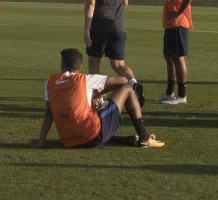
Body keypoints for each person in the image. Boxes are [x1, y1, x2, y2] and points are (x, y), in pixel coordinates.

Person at [34, 48, 164, 149]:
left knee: (95, 111)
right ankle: (144, 138)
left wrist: (40, 142)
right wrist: (100, 92)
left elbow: (48, 114)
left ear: (62, 66)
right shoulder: (85, 79)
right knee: (127, 88)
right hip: (91, 137)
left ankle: (129, 140)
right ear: (80, 67)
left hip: (67, 140)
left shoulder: (50, 82)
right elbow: (124, 80)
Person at [83, 0, 144, 106]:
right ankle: (133, 83)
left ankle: (97, 99)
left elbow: (91, 5)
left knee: (94, 62)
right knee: (118, 64)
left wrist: (86, 29)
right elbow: (125, 2)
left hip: (99, 26)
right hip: (119, 26)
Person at [156, 0, 194, 105]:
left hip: (178, 23)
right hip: (172, 24)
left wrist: (178, 13)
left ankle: (182, 95)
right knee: (169, 56)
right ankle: (169, 92)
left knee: (178, 58)